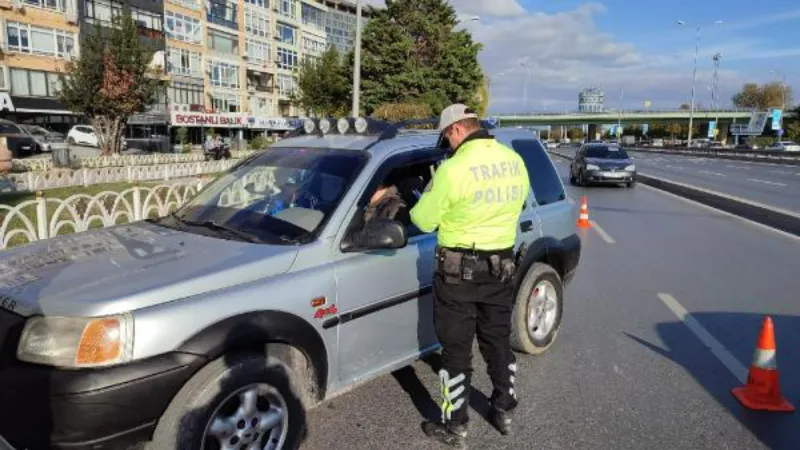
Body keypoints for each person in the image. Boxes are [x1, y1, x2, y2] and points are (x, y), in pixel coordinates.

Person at [410, 104, 530, 448]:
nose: (447, 144)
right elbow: (517, 205)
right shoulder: (513, 161)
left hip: (458, 278)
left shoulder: (453, 169)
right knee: (497, 341)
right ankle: (504, 409)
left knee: (456, 352)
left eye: (447, 137)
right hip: (501, 271)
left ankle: (455, 425)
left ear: (456, 131)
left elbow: (422, 220)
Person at [343, 180, 409, 248]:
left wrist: (373, 204)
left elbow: (391, 234)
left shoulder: (397, 207)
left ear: (383, 188)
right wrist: (372, 205)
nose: (370, 192)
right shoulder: (366, 205)